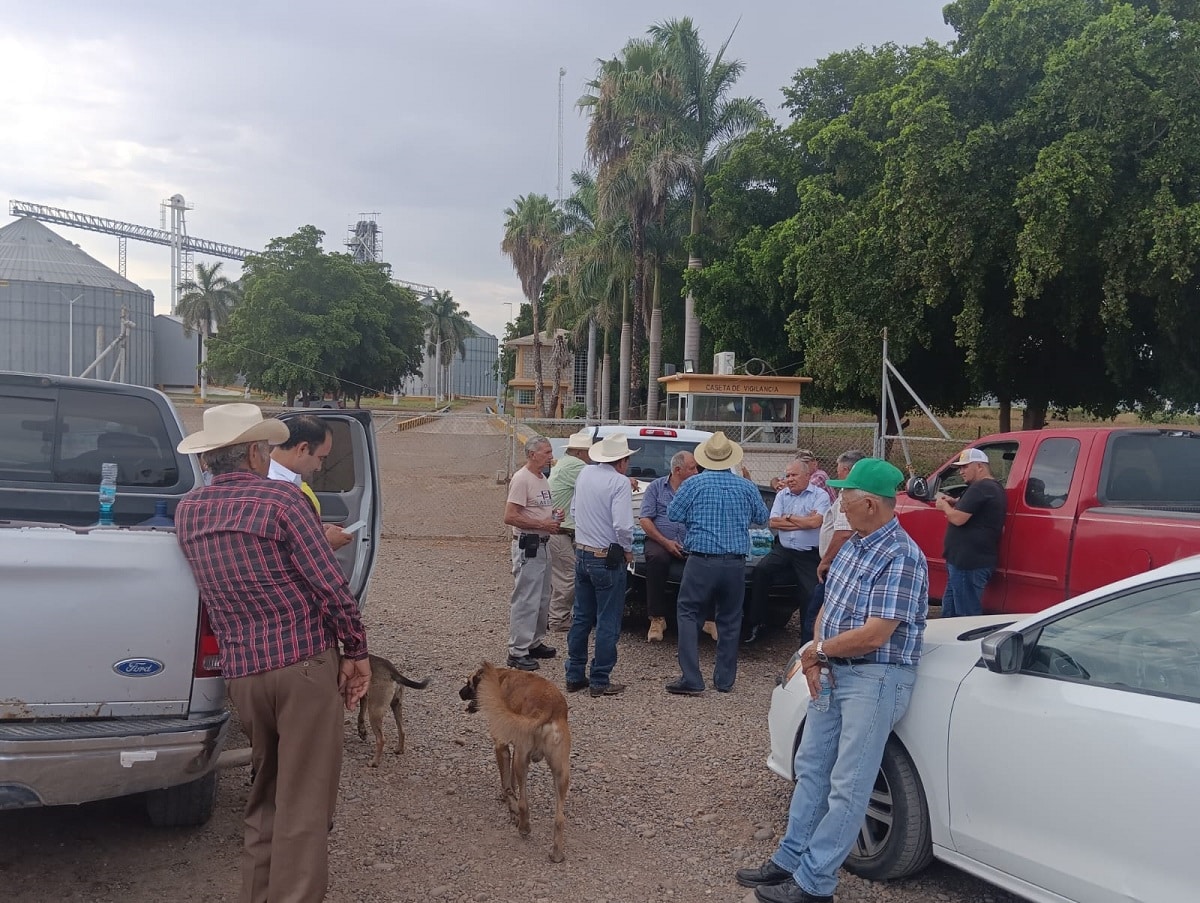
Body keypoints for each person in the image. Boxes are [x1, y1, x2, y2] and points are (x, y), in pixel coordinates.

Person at [173, 403, 371, 903]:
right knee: (304, 801)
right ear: (255, 453)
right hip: (301, 663)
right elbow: (329, 586)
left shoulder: (189, 510)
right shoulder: (283, 501)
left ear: (209, 458)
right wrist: (356, 649)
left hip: (244, 674)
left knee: (265, 794)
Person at [735, 457, 928, 903]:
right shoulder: (855, 545)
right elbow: (829, 606)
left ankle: (815, 884)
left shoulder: (901, 556)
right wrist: (817, 655)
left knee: (848, 784)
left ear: (871, 504)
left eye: (846, 497)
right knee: (812, 769)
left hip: (874, 678)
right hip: (836, 669)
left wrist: (818, 653)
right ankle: (790, 859)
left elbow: (875, 635)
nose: (839, 503)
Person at [665, 432, 770, 695]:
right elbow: (762, 517)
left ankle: (691, 677)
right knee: (730, 619)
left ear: (705, 459)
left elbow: (673, 513)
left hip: (701, 560)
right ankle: (724, 680)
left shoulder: (693, 484)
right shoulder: (746, 486)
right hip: (735, 562)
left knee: (688, 613)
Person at [565, 433, 637, 697]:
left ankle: (574, 674)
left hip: (583, 552)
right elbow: (622, 525)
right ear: (622, 461)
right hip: (606, 557)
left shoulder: (585, 474)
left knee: (582, 617)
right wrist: (627, 550)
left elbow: (574, 511)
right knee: (608, 619)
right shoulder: (619, 483)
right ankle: (600, 678)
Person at [744, 457, 830, 646]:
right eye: (787, 475)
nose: (789, 479)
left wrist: (788, 517)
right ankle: (756, 622)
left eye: (794, 475)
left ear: (807, 476)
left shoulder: (820, 496)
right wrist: (803, 521)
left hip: (808, 553)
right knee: (761, 571)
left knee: (810, 593)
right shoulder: (783, 495)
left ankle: (807, 641)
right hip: (783, 549)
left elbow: (815, 522)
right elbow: (773, 522)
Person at [502, 436, 560, 670]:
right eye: (546, 452)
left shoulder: (541, 478)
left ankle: (533, 641)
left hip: (543, 543)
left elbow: (536, 509)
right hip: (529, 545)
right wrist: (542, 524)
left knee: (543, 597)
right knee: (526, 598)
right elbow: (510, 516)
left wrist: (552, 517)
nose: (550, 457)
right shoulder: (522, 479)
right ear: (532, 454)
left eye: (550, 452)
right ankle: (517, 650)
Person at [935, 447, 1006, 617]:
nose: (961, 471)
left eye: (965, 467)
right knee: (950, 611)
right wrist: (954, 501)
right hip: (963, 562)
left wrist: (944, 506)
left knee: (966, 614)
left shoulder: (981, 487)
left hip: (968, 563)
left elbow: (958, 518)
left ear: (980, 466)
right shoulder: (991, 487)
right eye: (960, 468)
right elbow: (972, 507)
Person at [804, 450, 866, 642]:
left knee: (815, 616)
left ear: (846, 470)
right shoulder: (860, 493)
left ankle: (811, 650)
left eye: (839, 470)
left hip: (836, 564)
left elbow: (843, 533)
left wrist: (825, 561)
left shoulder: (848, 495)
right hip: (842, 562)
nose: (837, 473)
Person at [638, 450, 699, 642]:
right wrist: (665, 542)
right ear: (678, 470)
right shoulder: (656, 487)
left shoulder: (698, 488)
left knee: (708, 561)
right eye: (692, 468)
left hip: (691, 540)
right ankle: (657, 618)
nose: (697, 472)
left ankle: (708, 617)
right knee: (656, 558)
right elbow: (645, 519)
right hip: (660, 539)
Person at [269, 414, 352, 550]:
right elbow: (275, 551)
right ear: (303, 449)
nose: (319, 468)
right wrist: (325, 544)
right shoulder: (275, 488)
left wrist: (315, 530)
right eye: (320, 458)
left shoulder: (277, 480)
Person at [547, 429, 592, 631]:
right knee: (569, 575)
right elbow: (597, 482)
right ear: (581, 453)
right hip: (560, 530)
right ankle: (558, 619)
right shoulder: (576, 466)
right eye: (589, 452)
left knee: (557, 576)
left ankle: (551, 616)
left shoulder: (564, 463)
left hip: (558, 529)